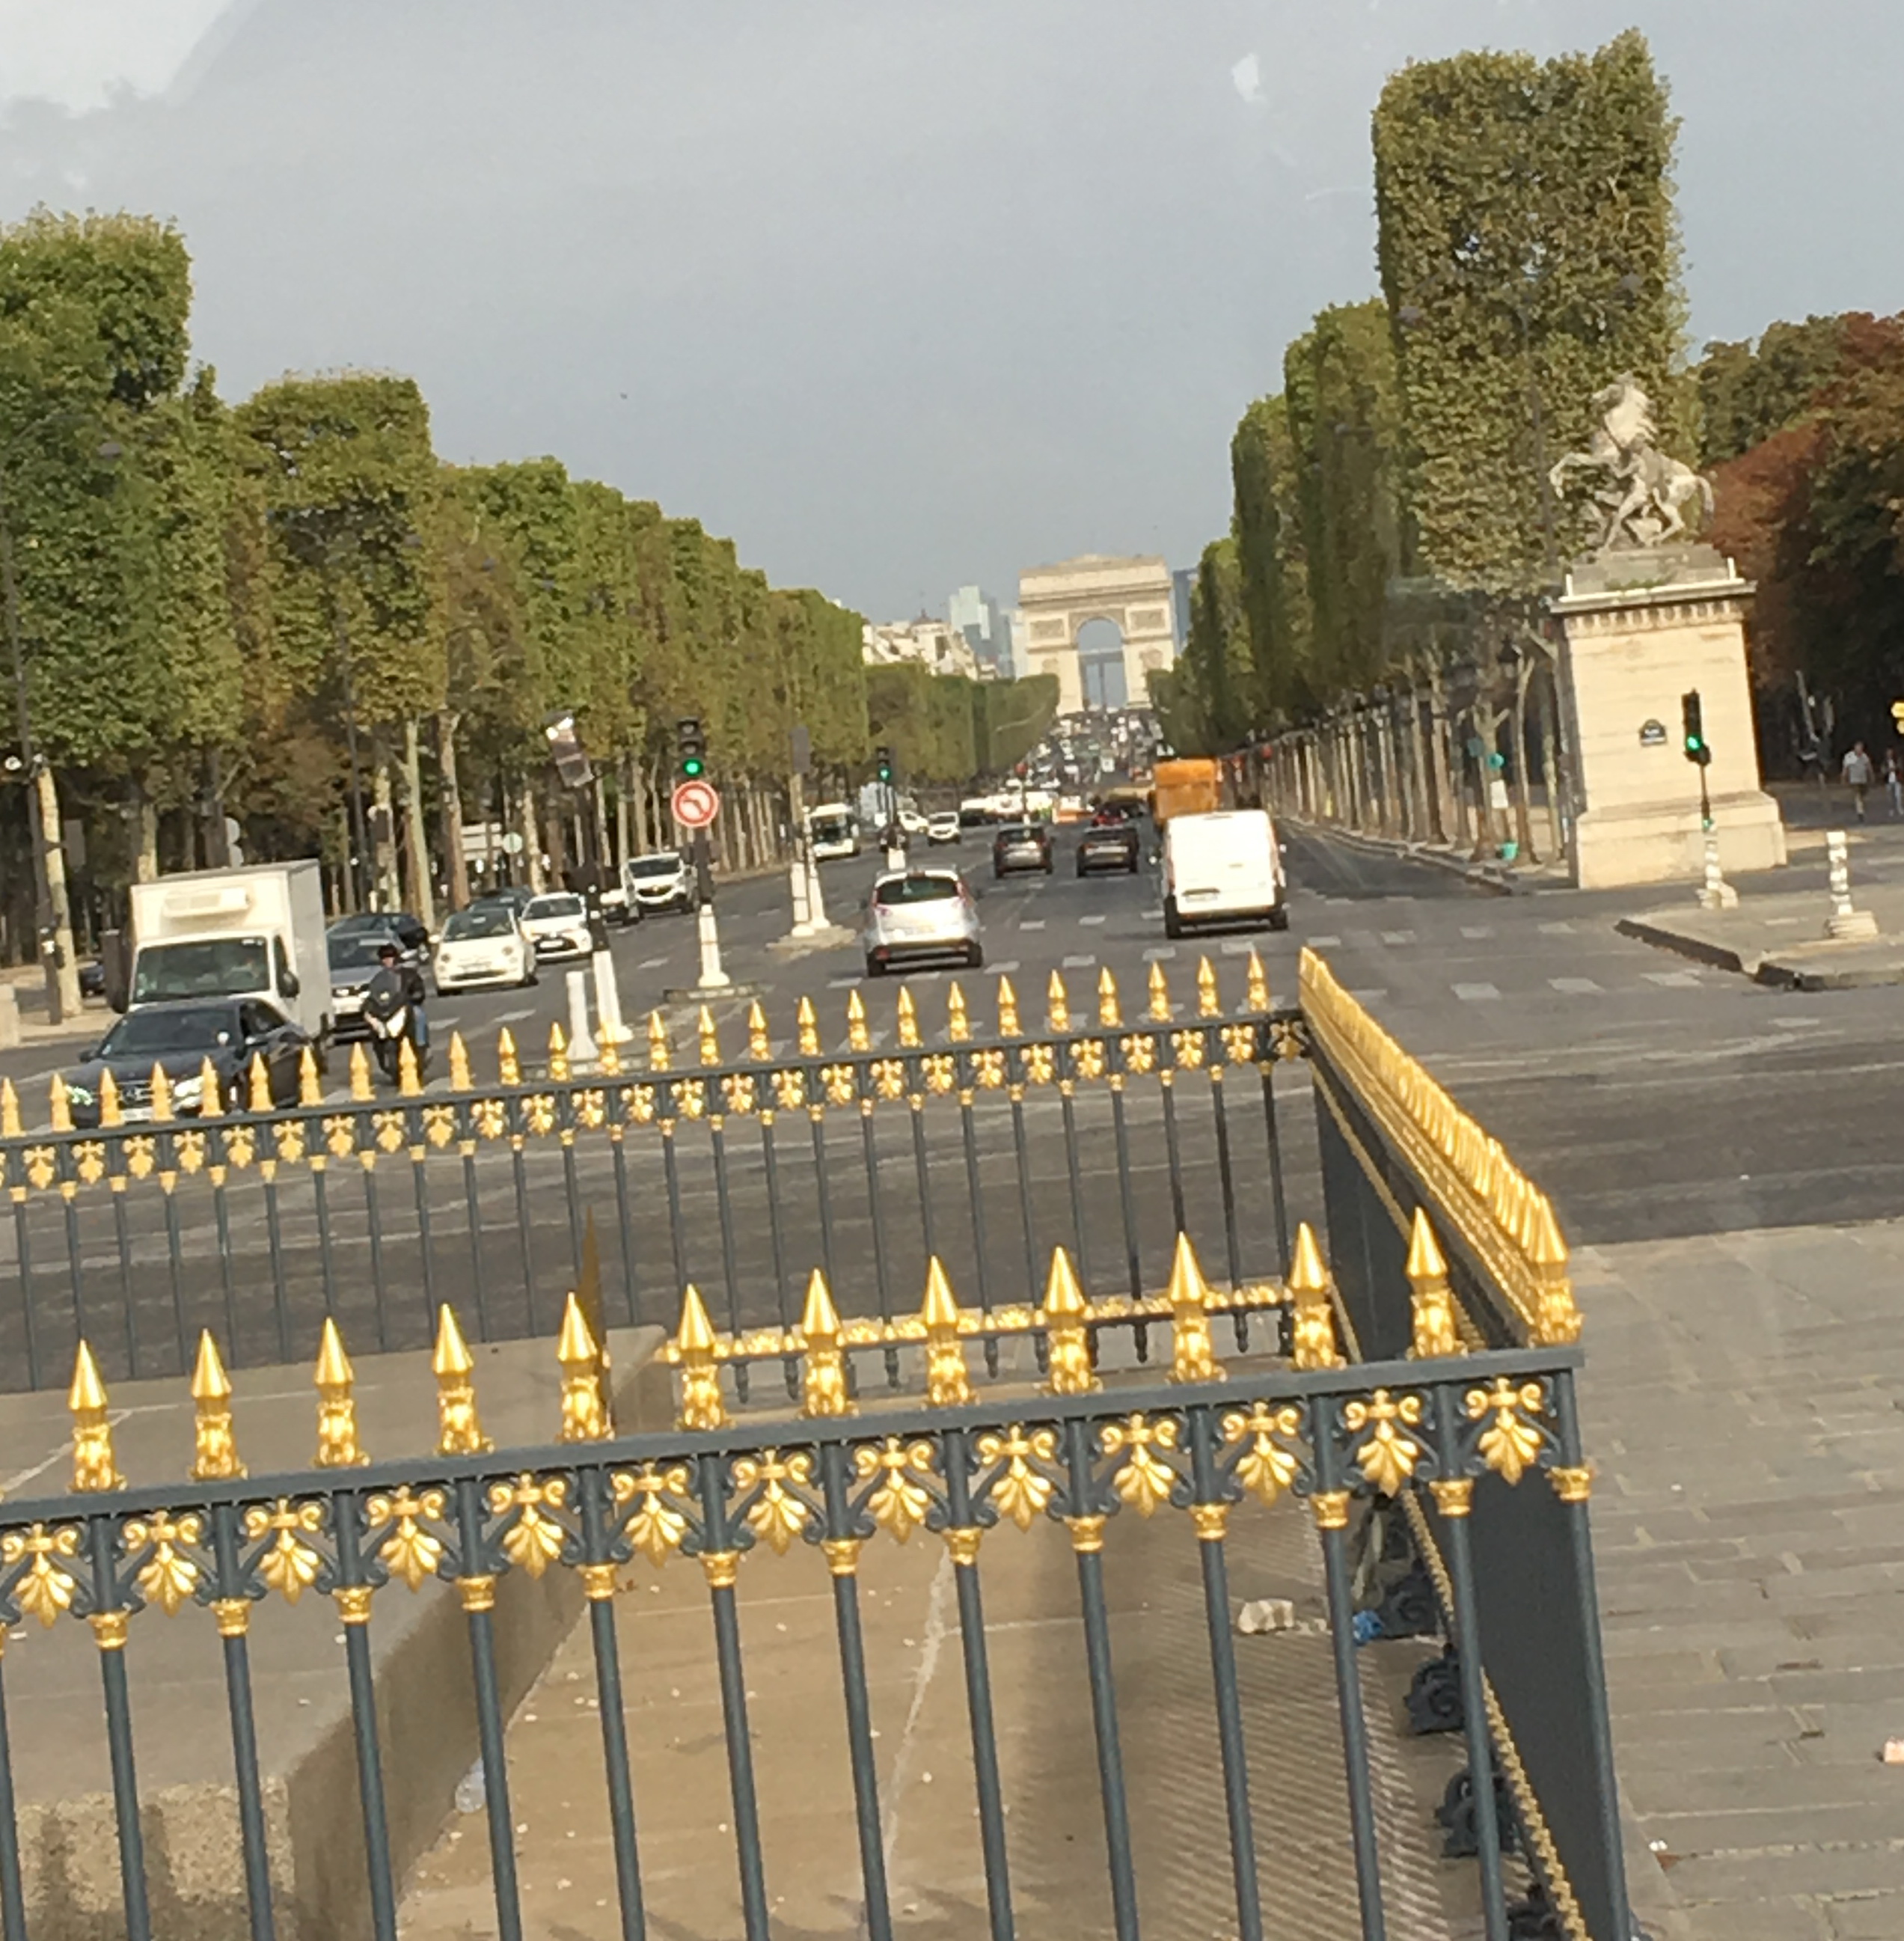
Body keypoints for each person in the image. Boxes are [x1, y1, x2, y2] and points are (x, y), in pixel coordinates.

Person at [1843, 742, 1875, 822]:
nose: (1860, 751)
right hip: (1854, 780)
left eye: (1861, 749)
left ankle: (1861, 808)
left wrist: (1871, 776)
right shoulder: (1849, 757)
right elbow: (1846, 769)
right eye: (1858, 748)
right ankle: (1860, 813)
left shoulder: (1864, 757)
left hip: (1863, 780)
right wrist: (1844, 778)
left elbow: (1869, 767)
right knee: (1858, 796)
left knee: (1862, 796)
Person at [1886, 747, 1903, 819]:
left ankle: (1900, 808)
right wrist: (1888, 770)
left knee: (1898, 796)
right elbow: (1883, 770)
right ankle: (1891, 809)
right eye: (1888, 753)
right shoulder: (1885, 762)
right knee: (1890, 797)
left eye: (1891, 753)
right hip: (1889, 781)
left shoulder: (1897, 761)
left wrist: (1895, 768)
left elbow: (1900, 768)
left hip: (1897, 780)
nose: (1889, 754)